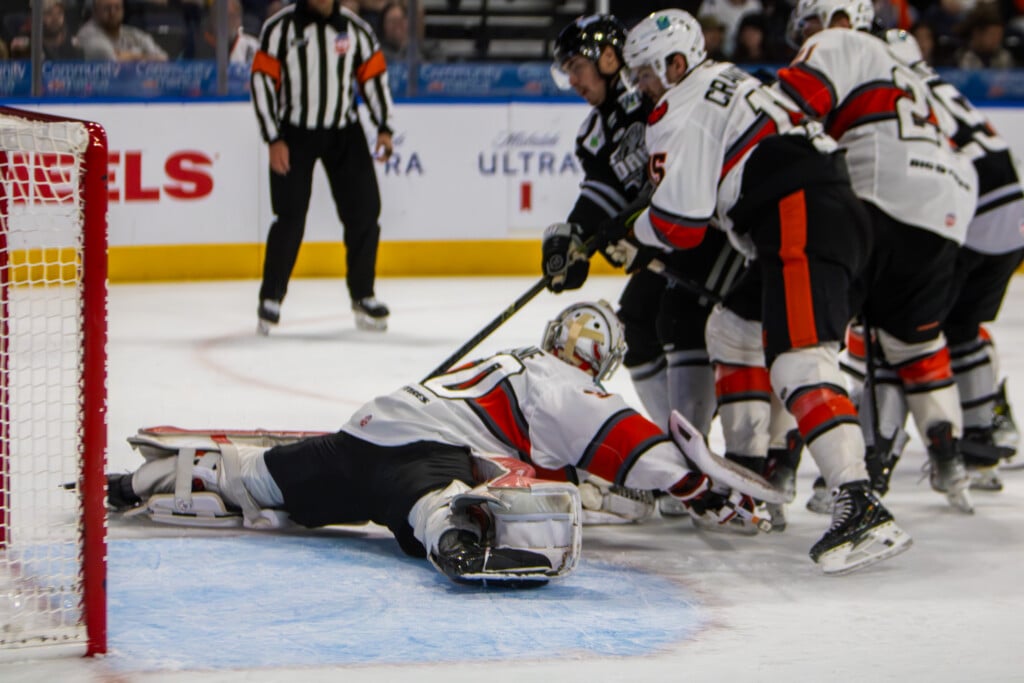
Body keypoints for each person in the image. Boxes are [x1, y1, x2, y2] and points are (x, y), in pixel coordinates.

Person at [104, 301, 772, 585]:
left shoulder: (516, 360)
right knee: (430, 495)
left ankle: (140, 482)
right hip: (426, 450)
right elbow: (633, 444)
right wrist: (699, 486)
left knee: (260, 477)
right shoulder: (570, 384)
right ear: (595, 359)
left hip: (362, 431)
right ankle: (451, 535)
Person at [621, 8, 912, 573]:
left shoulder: (686, 106)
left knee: (799, 362)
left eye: (646, 74)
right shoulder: (730, 77)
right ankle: (755, 471)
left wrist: (629, 230)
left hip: (797, 213)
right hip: (818, 208)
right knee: (731, 329)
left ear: (675, 63)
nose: (641, 87)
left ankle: (858, 501)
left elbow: (681, 223)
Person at [778, 0, 979, 513]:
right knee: (914, 340)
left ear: (835, 16)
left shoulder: (840, 40)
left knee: (811, 338)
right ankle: (949, 457)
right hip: (946, 210)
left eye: (808, 24)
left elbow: (789, 108)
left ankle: (785, 462)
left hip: (879, 195)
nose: (804, 34)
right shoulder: (909, 64)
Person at [542, 14, 746, 454]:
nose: (573, 78)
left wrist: (638, 235)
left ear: (610, 58)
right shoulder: (593, 135)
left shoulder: (657, 95)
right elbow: (605, 194)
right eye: (568, 70)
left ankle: (721, 447)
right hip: (667, 235)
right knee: (638, 320)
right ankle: (681, 446)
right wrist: (573, 237)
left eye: (577, 65)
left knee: (694, 321)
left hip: (710, 228)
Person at [251, 0, 394, 334]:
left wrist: (384, 127)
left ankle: (363, 294)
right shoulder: (279, 29)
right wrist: (273, 137)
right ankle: (271, 297)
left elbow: (373, 77)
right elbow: (261, 82)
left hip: (344, 130)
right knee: (289, 216)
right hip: (294, 134)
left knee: (365, 211)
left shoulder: (356, 29)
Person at [75, 0, 168, 61]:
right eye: (107, 9)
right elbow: (112, 60)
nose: (113, 13)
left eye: (117, 8)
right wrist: (141, 55)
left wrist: (129, 56)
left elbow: (163, 58)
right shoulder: (87, 34)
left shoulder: (131, 33)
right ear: (95, 12)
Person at [9, 0, 85, 61]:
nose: (55, 19)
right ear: (34, 16)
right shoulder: (24, 48)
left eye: (59, 13)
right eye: (49, 13)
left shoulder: (75, 48)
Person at [192, 0, 259, 64]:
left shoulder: (253, 46)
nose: (225, 22)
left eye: (230, 16)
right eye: (220, 16)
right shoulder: (201, 47)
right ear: (212, 19)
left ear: (239, 20)